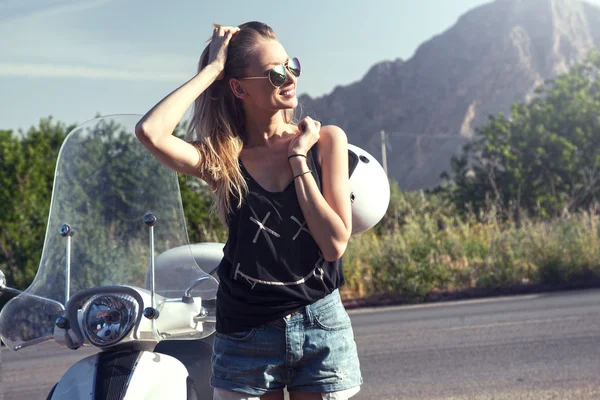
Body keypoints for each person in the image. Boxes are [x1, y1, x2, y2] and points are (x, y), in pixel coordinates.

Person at [135, 21, 362, 400]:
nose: (288, 78)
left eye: (292, 66)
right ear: (239, 88)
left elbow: (335, 244)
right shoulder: (222, 159)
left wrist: (297, 158)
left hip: (320, 323)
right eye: (275, 73)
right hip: (245, 331)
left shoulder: (325, 141)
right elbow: (151, 132)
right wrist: (212, 70)